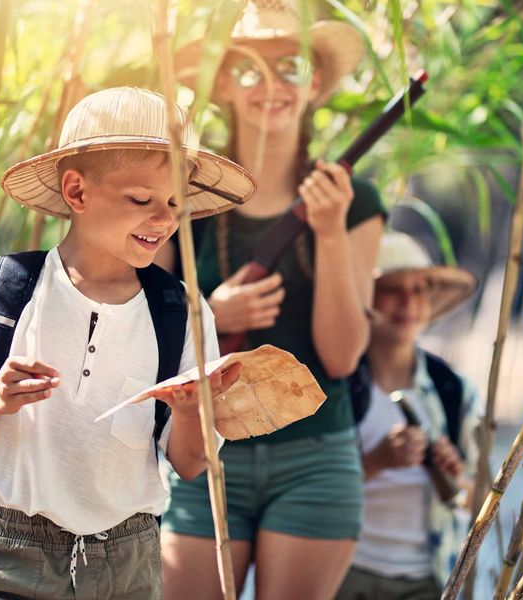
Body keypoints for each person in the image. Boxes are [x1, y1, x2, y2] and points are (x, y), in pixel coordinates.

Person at [0, 87, 255, 598]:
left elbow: (191, 464)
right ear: (77, 192)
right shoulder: (8, 287)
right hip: (7, 553)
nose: (164, 219)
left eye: (174, 203)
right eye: (141, 200)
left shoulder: (183, 313)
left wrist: (189, 410)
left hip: (126, 561)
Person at [161, 2, 386, 598]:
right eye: (247, 69)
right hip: (202, 451)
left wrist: (330, 231)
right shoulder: (181, 197)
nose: (270, 85)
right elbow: (146, 335)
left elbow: (341, 357)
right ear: (222, 86)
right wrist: (212, 315)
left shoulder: (356, 201)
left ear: (315, 83)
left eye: (292, 66)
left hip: (317, 460)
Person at [336, 231, 482, 600]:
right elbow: (307, 489)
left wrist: (454, 477)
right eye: (392, 289)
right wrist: (377, 461)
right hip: (344, 571)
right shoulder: (337, 385)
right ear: (366, 297)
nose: (408, 302)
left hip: (427, 579)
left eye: (418, 290)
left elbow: (481, 499)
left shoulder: (453, 390)